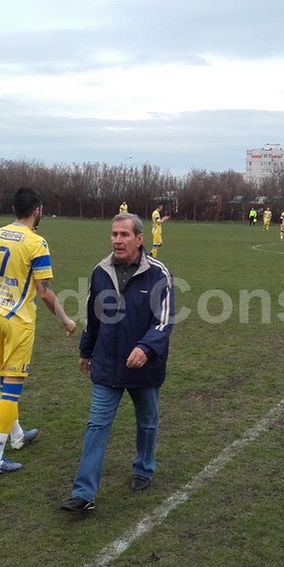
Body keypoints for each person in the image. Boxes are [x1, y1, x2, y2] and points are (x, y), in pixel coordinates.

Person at [60, 213, 175, 512]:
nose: (118, 240)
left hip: (143, 366)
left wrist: (145, 348)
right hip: (107, 363)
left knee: (147, 422)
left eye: (124, 235)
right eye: (114, 234)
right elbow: (92, 316)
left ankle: (144, 468)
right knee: (96, 425)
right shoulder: (100, 271)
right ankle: (84, 492)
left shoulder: (159, 274)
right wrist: (86, 351)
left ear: (139, 239)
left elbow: (163, 321)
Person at [0, 187, 77, 475]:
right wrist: (65, 320)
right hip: (18, 321)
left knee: (4, 379)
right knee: (11, 390)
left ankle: (17, 435)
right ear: (37, 211)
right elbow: (44, 292)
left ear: (14, 209)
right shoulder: (37, 243)